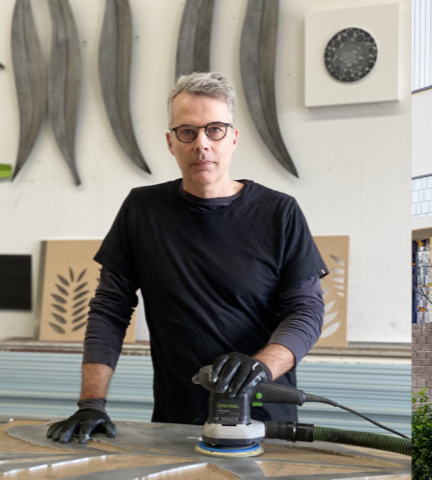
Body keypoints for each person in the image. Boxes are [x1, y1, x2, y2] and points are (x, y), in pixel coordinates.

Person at [46, 72, 327, 444]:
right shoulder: (141, 211)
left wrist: (260, 367)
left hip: (265, 419)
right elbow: (110, 309)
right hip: (176, 421)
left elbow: (306, 311)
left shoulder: (279, 213)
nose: (201, 144)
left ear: (234, 137)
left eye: (215, 130)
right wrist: (92, 402)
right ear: (170, 142)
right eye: (187, 131)